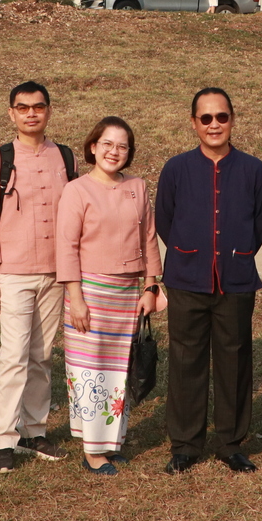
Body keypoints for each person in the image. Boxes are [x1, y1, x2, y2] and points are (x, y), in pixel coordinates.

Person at [155, 87, 262, 474]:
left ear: (232, 120)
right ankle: (186, 445)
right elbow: (165, 221)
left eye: (221, 117)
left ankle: (230, 443)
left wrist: (236, 253)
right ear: (194, 123)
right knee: (186, 360)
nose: (214, 124)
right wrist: (192, 252)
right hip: (187, 277)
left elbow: (260, 224)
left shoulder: (253, 169)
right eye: (205, 118)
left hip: (235, 279)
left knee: (235, 360)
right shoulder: (176, 168)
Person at [0, 81, 78, 474]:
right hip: (14, 273)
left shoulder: (65, 157)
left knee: (42, 355)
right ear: (11, 114)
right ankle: (4, 438)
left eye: (38, 107)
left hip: (56, 273)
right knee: (13, 356)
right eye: (23, 108)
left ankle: (35, 430)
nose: (31, 114)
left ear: (49, 110)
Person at [56, 117, 165, 475]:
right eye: (107, 144)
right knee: (91, 370)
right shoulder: (77, 190)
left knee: (119, 371)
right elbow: (67, 246)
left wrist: (151, 285)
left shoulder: (137, 186)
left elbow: (149, 238)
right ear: (92, 146)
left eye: (122, 146)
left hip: (128, 292)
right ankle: (92, 449)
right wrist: (76, 296)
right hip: (90, 291)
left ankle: (111, 442)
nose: (114, 152)